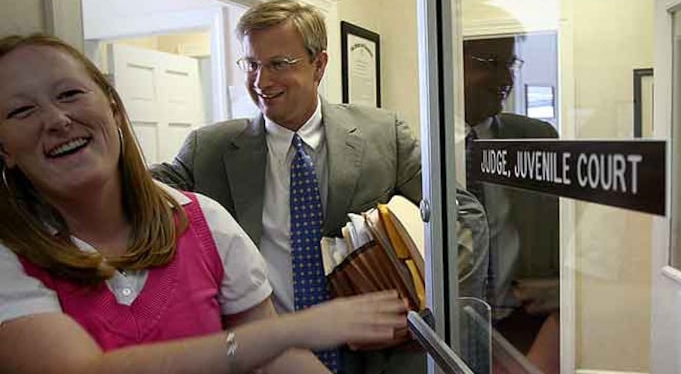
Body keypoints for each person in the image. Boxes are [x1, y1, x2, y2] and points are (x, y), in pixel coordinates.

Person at [0, 34, 408, 374]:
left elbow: (277, 359)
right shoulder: (10, 258)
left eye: (69, 94)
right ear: (4, 149)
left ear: (113, 105)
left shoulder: (205, 221)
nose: (55, 120)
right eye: (22, 110)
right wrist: (294, 329)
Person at [152, 0, 487, 374]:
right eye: (252, 64)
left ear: (319, 64)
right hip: (269, 360)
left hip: (379, 362)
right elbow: (138, 193)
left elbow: (464, 217)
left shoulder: (383, 134)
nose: (261, 82)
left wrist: (420, 310)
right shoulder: (209, 150)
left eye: (279, 64)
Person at [463, 36, 560, 374]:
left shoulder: (539, 138)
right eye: (490, 63)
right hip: (447, 333)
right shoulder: (417, 142)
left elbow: (574, 234)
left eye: (510, 64)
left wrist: (564, 289)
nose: (505, 79)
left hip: (526, 329)